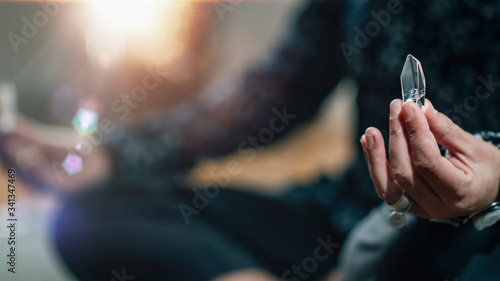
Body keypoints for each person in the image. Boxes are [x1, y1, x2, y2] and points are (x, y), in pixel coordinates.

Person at [2, 0, 499, 280]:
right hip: (345, 220)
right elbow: (274, 94)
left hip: (478, 238)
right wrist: (109, 156)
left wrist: (494, 178)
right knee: (90, 215)